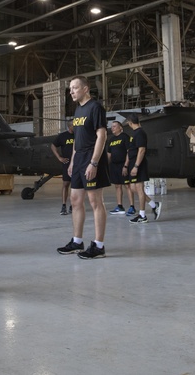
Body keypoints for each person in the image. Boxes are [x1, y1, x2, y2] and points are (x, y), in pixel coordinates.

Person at [56, 75, 109, 260]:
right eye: (70, 88)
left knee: (95, 202)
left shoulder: (95, 108)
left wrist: (94, 162)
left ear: (85, 88)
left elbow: (101, 136)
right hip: (77, 160)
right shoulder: (78, 110)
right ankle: (77, 242)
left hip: (91, 158)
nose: (71, 91)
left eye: (75, 88)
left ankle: (99, 245)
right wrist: (72, 161)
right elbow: (77, 141)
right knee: (76, 200)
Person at [125, 114, 161, 223]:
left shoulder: (140, 133)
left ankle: (142, 216)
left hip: (138, 165)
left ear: (131, 123)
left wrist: (136, 166)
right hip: (133, 164)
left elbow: (141, 150)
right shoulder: (135, 133)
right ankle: (154, 205)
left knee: (140, 190)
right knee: (133, 188)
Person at [106, 120, 136, 217]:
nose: (112, 128)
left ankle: (132, 207)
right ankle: (120, 206)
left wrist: (126, 166)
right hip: (114, 166)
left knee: (127, 185)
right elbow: (109, 155)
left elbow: (129, 152)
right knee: (117, 186)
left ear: (120, 128)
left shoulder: (125, 137)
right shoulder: (111, 140)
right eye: (112, 126)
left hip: (123, 165)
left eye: (115, 126)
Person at [50, 120, 74, 215]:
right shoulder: (63, 136)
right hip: (67, 163)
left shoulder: (79, 135)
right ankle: (64, 205)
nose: (75, 127)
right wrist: (59, 157)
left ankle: (73, 205)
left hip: (77, 163)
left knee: (75, 186)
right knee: (66, 184)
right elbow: (53, 145)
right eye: (73, 125)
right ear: (69, 127)